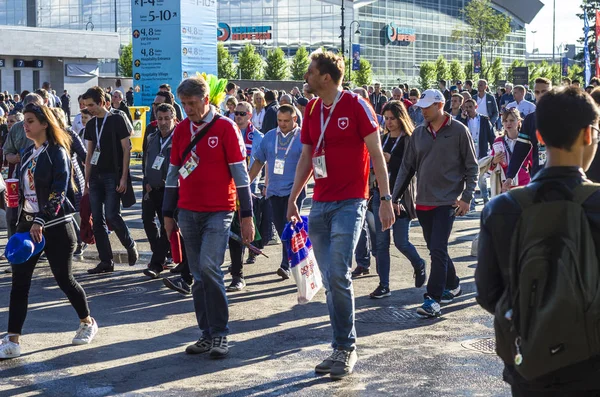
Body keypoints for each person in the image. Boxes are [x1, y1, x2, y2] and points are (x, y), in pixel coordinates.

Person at [476, 86, 600, 396]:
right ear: (589, 135)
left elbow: (488, 293)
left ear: (540, 137)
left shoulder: (501, 208)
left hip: (528, 360)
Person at [287, 51, 395, 380]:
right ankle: (338, 346)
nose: (305, 75)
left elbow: (377, 153)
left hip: (351, 201)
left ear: (326, 77)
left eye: (310, 71)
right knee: (332, 281)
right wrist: (294, 198)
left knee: (338, 273)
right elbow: (307, 157)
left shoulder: (357, 105)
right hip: (319, 204)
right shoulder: (314, 110)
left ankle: (347, 347)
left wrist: (386, 198)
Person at [162, 76, 254, 358]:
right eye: (184, 103)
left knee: (209, 267)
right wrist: (167, 211)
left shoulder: (226, 128)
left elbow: (241, 176)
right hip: (188, 211)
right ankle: (207, 334)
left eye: (192, 103)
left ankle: (221, 334)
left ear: (205, 100)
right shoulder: (180, 132)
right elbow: (172, 173)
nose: (187, 108)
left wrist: (247, 216)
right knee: (200, 275)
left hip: (219, 210)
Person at [0, 104, 98, 359]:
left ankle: (87, 322)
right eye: (25, 121)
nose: (25, 125)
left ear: (45, 123)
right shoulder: (27, 151)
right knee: (19, 283)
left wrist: (41, 219)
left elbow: (59, 191)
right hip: (28, 224)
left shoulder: (57, 152)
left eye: (31, 121)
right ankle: (13, 340)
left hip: (56, 226)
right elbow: (26, 189)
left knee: (64, 280)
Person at [392, 89, 478, 318]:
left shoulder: (459, 130)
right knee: (435, 248)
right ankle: (454, 284)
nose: (422, 110)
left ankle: (432, 299)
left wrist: (467, 197)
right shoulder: (418, 134)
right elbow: (406, 168)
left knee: (437, 249)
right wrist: (393, 197)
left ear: (440, 105)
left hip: (448, 202)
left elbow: (472, 167)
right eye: (421, 106)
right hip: (423, 202)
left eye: (427, 106)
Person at [369, 100, 425, 299]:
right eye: (386, 118)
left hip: (400, 196)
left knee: (401, 242)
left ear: (401, 118)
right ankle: (384, 284)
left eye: (393, 118)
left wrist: (390, 159)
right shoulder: (382, 138)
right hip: (379, 195)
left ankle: (419, 263)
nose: (389, 122)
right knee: (381, 243)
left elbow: (413, 167)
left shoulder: (410, 139)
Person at [82, 86, 138, 274]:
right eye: (86, 105)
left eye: (91, 105)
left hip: (112, 175)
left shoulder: (116, 119)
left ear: (102, 102)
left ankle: (130, 245)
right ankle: (106, 261)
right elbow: (89, 154)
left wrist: (123, 177)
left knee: (112, 215)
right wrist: (86, 181)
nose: (89, 108)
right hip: (96, 177)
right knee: (97, 220)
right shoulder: (90, 125)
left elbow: (126, 149)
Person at [248, 104, 304, 282]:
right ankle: (296, 258)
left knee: (290, 227)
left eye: (286, 121)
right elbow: (258, 161)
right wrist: (245, 183)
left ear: (294, 119)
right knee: (281, 230)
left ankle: (285, 265)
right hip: (273, 191)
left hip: (294, 191)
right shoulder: (270, 136)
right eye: (279, 120)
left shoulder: (303, 137)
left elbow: (312, 164)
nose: (282, 124)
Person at [142, 104, 178, 279]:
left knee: (167, 227)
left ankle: (157, 263)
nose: (163, 122)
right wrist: (146, 180)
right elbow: (146, 160)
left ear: (174, 119)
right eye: (160, 119)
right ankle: (162, 253)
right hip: (152, 188)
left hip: (171, 190)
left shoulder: (179, 138)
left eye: (167, 118)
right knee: (147, 220)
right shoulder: (152, 137)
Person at [503, 78, 552, 190]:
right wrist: (510, 176)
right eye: (537, 92)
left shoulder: (562, 116)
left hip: (560, 176)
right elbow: (521, 149)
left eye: (544, 91)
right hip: (538, 175)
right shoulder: (530, 119)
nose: (540, 95)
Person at [458, 98, 496, 208]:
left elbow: (491, 136)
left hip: (481, 152)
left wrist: (495, 148)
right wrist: (463, 119)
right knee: (469, 178)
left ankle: (485, 198)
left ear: (476, 107)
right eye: (466, 107)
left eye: (470, 107)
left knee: (482, 178)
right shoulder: (464, 120)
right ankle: (472, 201)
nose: (468, 109)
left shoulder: (484, 120)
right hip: (468, 154)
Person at [488, 107, 531, 188]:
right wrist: (494, 161)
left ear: (518, 122)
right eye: (505, 121)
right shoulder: (498, 141)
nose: (508, 123)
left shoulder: (526, 140)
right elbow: (490, 167)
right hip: (504, 184)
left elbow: (533, 162)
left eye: (511, 120)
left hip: (523, 183)